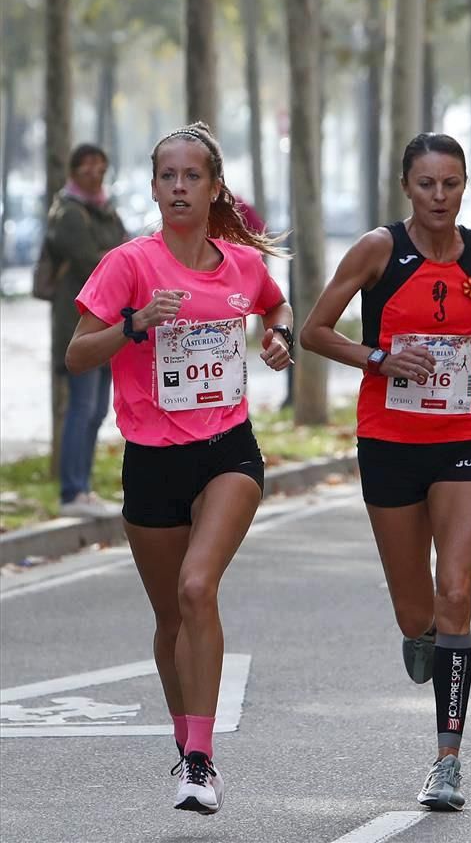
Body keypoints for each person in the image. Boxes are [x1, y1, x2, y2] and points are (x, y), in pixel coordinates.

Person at [300, 132, 471, 812]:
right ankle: (424, 636)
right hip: (389, 442)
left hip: (464, 437)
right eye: (426, 185)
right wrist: (378, 359)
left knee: (457, 593)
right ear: (406, 187)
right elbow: (314, 330)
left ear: (465, 185)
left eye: (451, 184)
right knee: (419, 613)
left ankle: (447, 761)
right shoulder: (379, 251)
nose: (439, 197)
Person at [65, 121, 293, 816]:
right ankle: (185, 742)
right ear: (155, 187)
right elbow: (78, 354)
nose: (180, 187)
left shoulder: (239, 266)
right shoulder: (129, 265)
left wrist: (280, 337)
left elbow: (274, 302)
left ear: (214, 187)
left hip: (227, 450)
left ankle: (202, 761)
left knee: (199, 587)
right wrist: (134, 325)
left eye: (193, 176)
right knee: (170, 616)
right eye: (168, 176)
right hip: (153, 460)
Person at [46, 144, 127, 515]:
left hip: (112, 323)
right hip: (80, 324)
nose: (95, 174)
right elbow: (90, 262)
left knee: (96, 410)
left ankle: (84, 487)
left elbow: (127, 252)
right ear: (74, 171)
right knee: (81, 406)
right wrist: (121, 264)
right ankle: (71, 492)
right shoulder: (69, 213)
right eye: (87, 167)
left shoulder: (105, 209)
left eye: (100, 166)